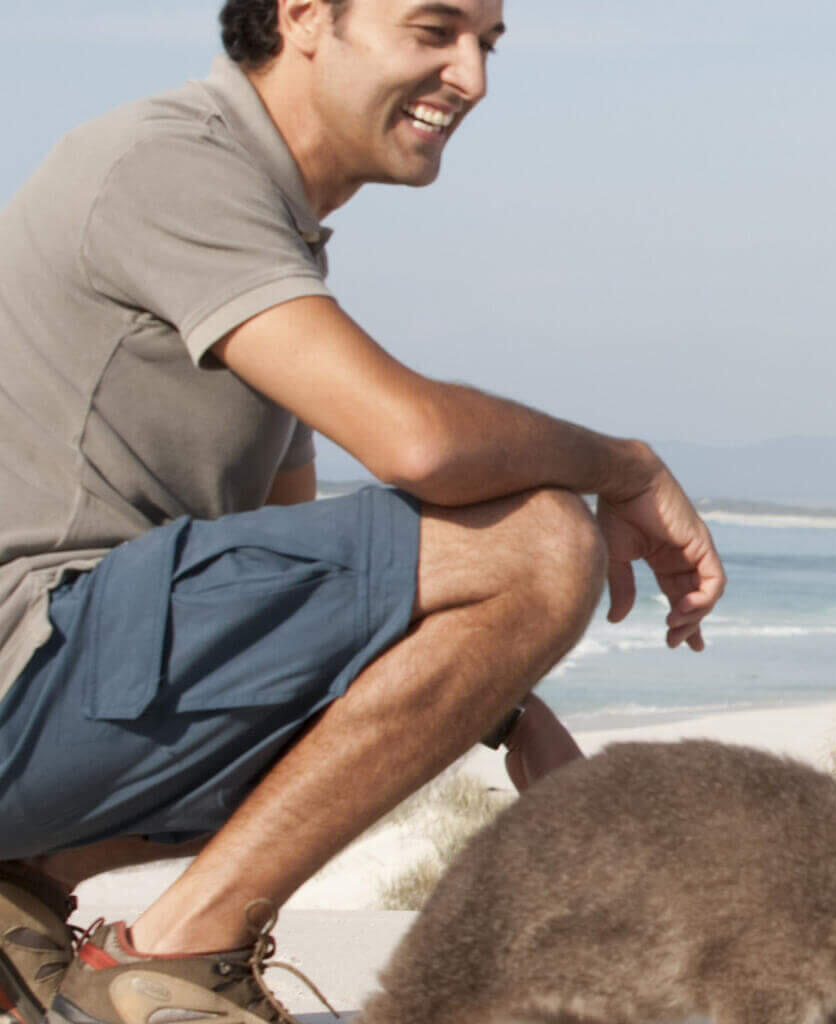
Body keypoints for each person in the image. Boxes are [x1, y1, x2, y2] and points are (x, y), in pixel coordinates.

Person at [0, 2, 727, 1021]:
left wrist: (500, 699)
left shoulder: (265, 228)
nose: (470, 77)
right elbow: (416, 443)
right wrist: (626, 469)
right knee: (544, 538)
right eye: (433, 30)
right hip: (27, 673)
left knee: (443, 625)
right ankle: (169, 958)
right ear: (303, 17)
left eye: (487, 44)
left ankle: (19, 891)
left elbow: (297, 559)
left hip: (52, 694)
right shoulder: (169, 167)